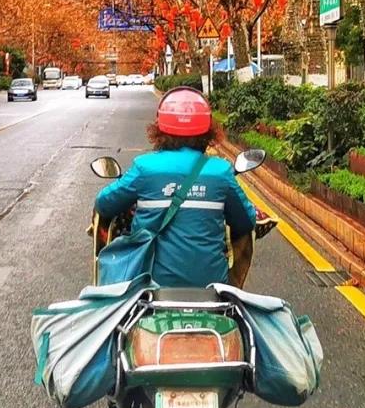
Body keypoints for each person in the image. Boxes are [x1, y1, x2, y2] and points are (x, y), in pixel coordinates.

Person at [95, 87, 257, 288]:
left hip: (148, 283)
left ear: (159, 129)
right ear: (208, 131)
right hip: (210, 285)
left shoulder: (144, 167)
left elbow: (103, 205)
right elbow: (246, 221)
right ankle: (235, 287)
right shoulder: (221, 171)